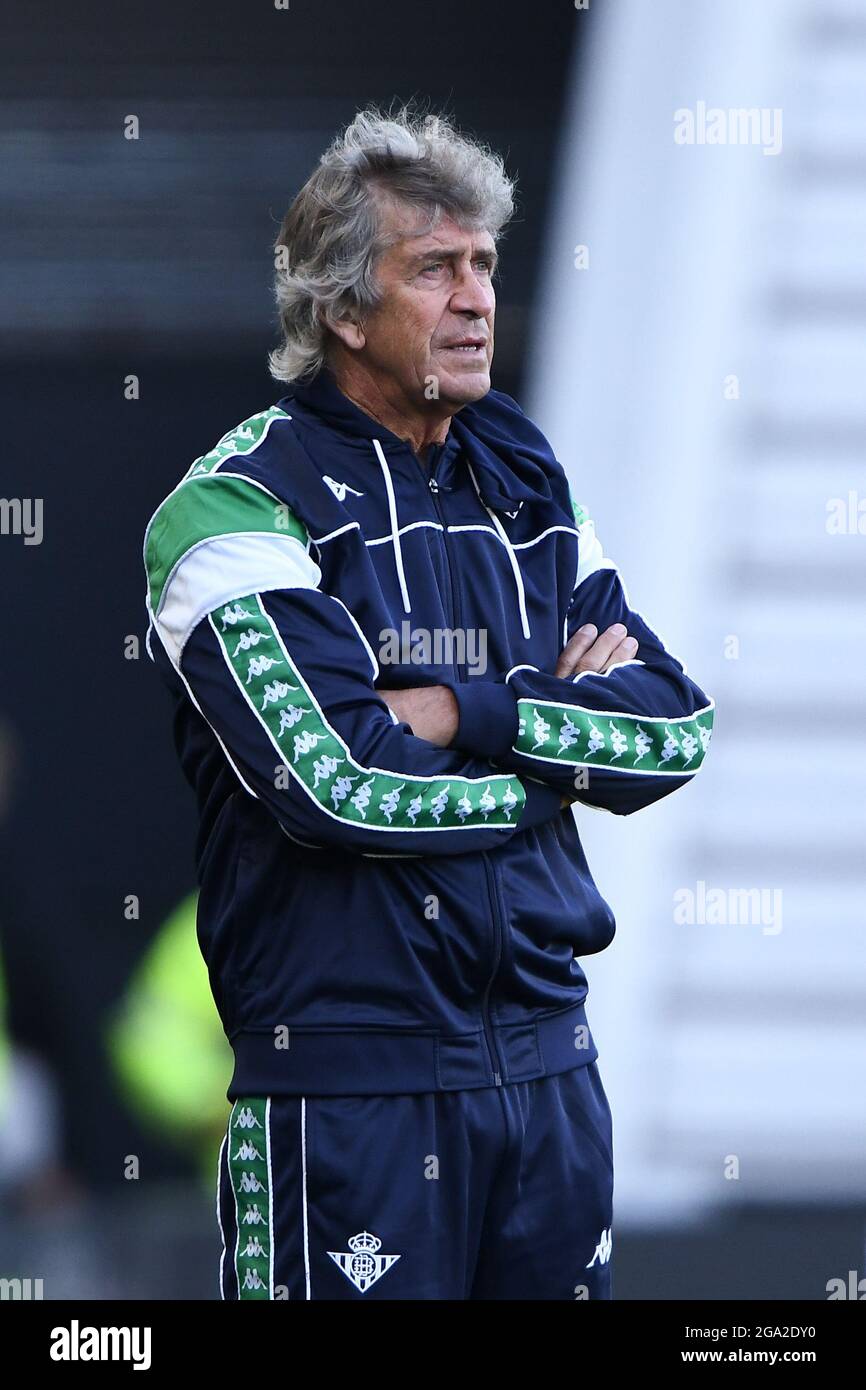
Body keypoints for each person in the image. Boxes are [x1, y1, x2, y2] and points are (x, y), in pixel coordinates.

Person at [143, 104, 714, 1300]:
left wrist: (468, 717)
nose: (476, 298)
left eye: (486, 266)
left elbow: (671, 728)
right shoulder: (233, 506)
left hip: (552, 1075)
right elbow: (337, 784)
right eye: (434, 269)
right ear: (342, 309)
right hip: (347, 1096)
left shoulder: (520, 469)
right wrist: (561, 748)